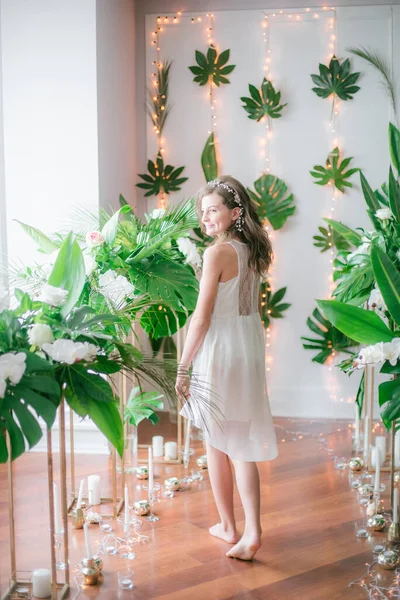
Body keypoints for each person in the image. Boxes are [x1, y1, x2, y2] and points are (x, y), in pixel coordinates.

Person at [176, 175, 278, 561]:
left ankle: (239, 528)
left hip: (219, 350)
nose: (205, 218)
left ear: (235, 213)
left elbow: (201, 319)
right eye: (202, 211)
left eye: (213, 210)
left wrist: (184, 368)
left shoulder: (216, 254)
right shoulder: (253, 248)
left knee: (219, 444)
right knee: (237, 442)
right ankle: (239, 528)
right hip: (247, 348)